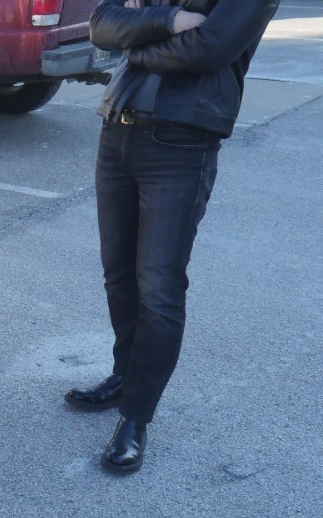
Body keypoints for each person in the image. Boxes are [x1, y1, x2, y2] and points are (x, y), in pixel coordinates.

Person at [68, 0, 279, 473]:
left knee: (159, 288)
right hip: (118, 128)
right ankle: (124, 375)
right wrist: (169, 21)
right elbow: (101, 24)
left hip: (182, 143)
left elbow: (209, 49)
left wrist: (134, 46)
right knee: (119, 274)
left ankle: (136, 417)